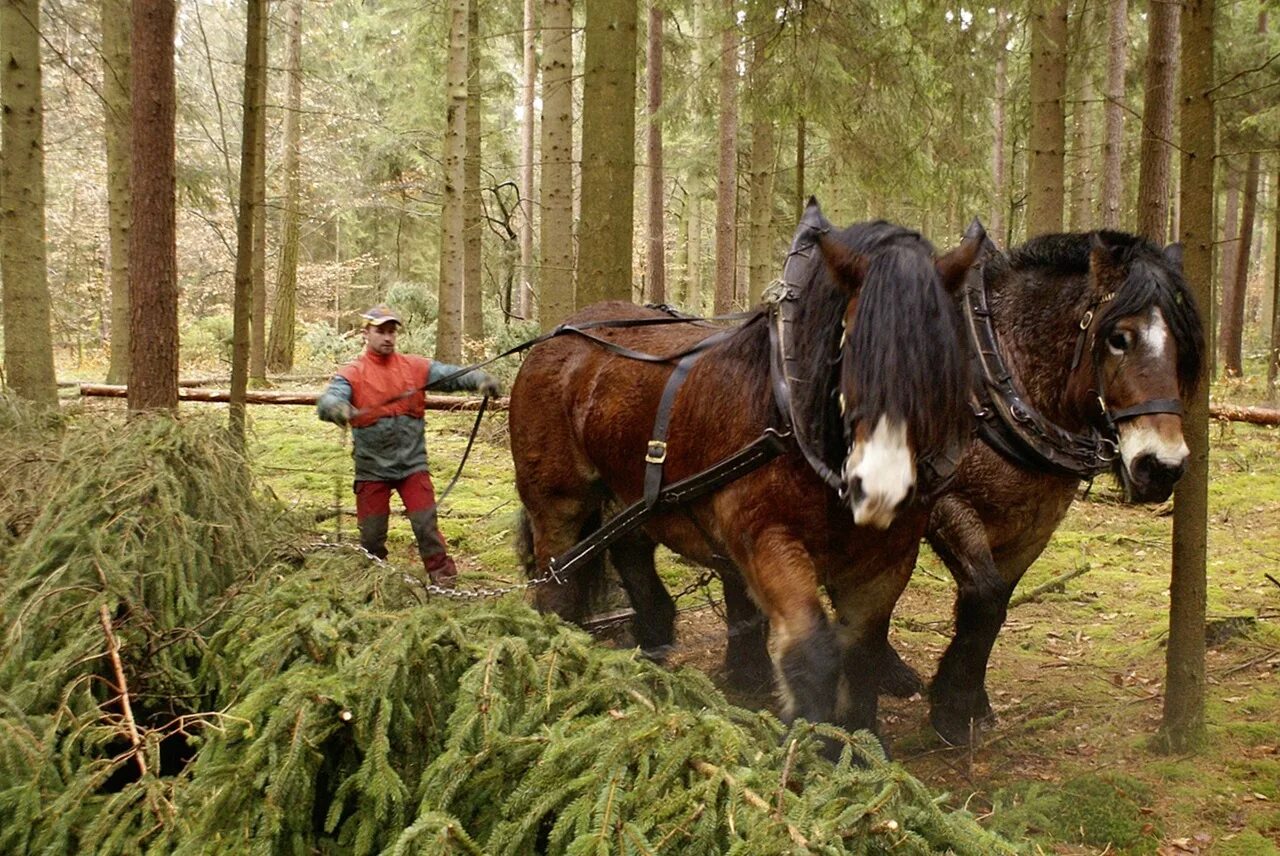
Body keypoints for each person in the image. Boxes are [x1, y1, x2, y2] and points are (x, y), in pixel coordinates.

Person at [317, 304, 501, 587]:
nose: (388, 337)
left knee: (426, 526)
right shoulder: (352, 373)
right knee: (371, 536)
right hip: (371, 469)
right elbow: (328, 399)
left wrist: (480, 379)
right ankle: (373, 581)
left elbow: (450, 375)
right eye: (381, 331)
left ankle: (443, 579)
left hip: (413, 465)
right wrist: (338, 408)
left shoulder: (415, 367)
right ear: (366, 333)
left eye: (392, 332)